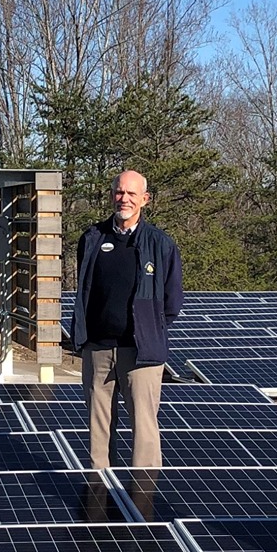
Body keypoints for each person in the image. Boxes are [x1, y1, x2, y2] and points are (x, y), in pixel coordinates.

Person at [68, 169, 183, 470]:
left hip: (141, 353)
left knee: (144, 430)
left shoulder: (161, 244)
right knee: (99, 430)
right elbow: (85, 291)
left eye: (132, 194)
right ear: (111, 195)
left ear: (145, 199)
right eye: (119, 192)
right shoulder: (92, 238)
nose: (124, 199)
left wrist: (148, 329)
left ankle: (142, 504)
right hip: (98, 349)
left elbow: (172, 303)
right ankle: (100, 497)